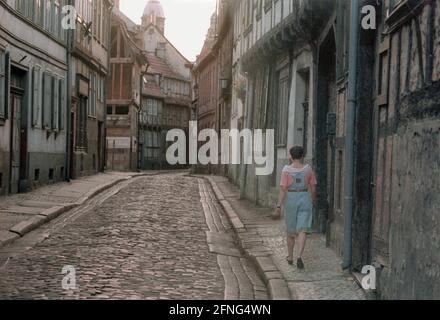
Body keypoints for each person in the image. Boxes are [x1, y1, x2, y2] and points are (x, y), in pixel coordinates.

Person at [274, 146, 317, 270]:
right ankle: (299, 256)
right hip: (304, 198)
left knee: (290, 231)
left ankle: (290, 257)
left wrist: (279, 206)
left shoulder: (286, 170)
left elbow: (282, 190)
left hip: (291, 199)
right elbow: (313, 188)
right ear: (302, 156)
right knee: (303, 229)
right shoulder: (308, 169)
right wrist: (313, 199)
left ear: (291, 156)